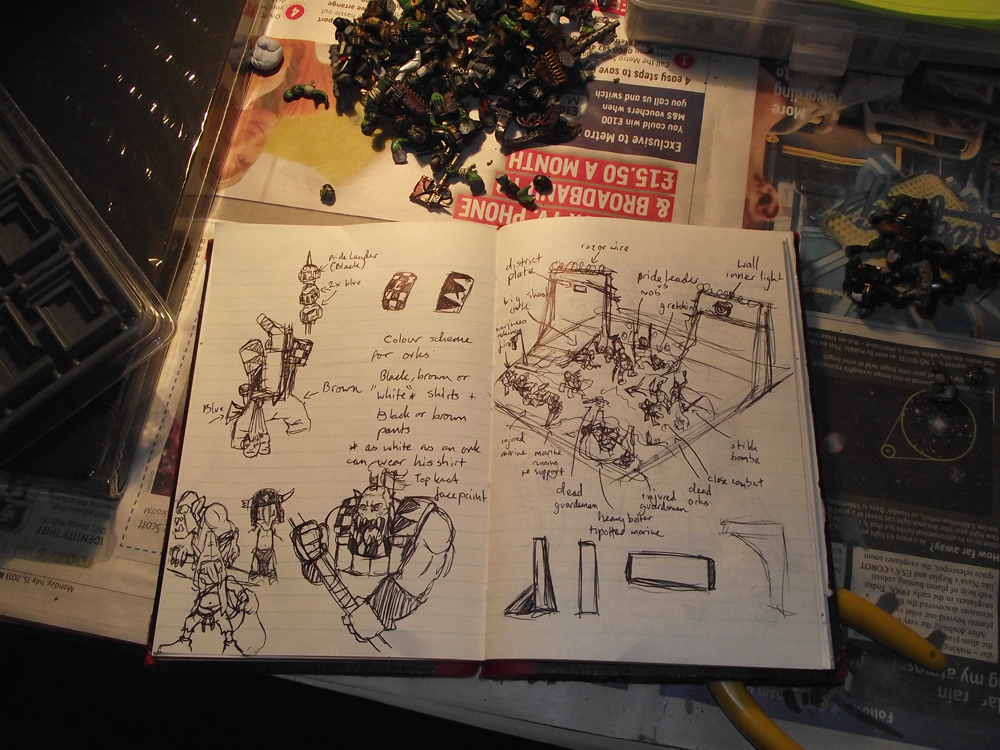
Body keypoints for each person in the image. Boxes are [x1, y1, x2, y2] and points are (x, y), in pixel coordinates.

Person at [290, 470, 455, 644]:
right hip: (341, 629)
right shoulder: (339, 518)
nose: (369, 513)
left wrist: (377, 612)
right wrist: (309, 557)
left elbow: (417, 579)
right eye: (364, 508)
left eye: (376, 508)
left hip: (400, 633)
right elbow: (319, 578)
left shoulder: (427, 520)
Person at [158, 491, 265, 655]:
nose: (178, 520)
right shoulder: (199, 533)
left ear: (193, 509)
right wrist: (184, 551)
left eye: (182, 513)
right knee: (209, 619)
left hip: (215, 588)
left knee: (203, 618)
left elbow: (221, 547)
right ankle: (224, 643)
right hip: (211, 588)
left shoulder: (211, 516)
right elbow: (201, 553)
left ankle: (223, 643)